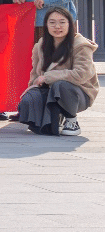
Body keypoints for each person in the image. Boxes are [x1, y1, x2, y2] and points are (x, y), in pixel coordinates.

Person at [16, 7, 98, 136]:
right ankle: (54, 117)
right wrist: (32, 88)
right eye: (52, 22)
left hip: (78, 93)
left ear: (70, 24)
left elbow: (82, 74)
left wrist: (48, 77)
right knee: (29, 99)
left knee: (60, 85)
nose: (57, 26)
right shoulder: (41, 44)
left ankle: (72, 121)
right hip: (50, 91)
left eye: (62, 22)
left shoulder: (80, 45)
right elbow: (35, 73)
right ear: (46, 25)